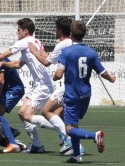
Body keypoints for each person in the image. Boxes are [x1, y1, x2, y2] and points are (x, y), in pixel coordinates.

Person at [53, 20, 116, 163]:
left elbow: (58, 74)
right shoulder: (91, 52)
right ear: (84, 34)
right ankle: (76, 155)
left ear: (70, 34)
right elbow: (103, 72)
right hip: (86, 95)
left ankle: (95, 135)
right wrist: (111, 79)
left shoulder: (66, 52)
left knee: (69, 129)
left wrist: (55, 76)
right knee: (74, 124)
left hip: (72, 95)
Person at [0, 18, 55, 153]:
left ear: (25, 31)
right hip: (40, 85)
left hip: (43, 85)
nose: (17, 33)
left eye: (19, 30)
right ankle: (37, 145)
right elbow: (18, 64)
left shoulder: (25, 41)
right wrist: (4, 64)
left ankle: (64, 130)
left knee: (26, 114)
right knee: (22, 114)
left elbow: (1, 56)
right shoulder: (36, 41)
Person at [28, 17, 85, 156]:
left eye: (55, 28)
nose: (54, 30)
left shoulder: (61, 45)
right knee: (63, 116)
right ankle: (75, 146)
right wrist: (42, 54)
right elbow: (50, 57)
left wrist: (34, 52)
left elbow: (47, 62)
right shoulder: (72, 42)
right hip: (80, 87)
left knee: (46, 111)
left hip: (69, 87)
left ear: (59, 30)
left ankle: (69, 139)